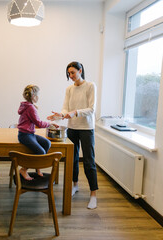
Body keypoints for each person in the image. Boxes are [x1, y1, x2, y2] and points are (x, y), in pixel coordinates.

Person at [47, 61, 98, 209]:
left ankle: (93, 194)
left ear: (80, 70)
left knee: (89, 161)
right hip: (73, 128)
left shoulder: (90, 86)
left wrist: (75, 112)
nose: (71, 76)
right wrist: (59, 115)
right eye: (69, 73)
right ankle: (74, 185)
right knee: (73, 159)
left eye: (73, 72)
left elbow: (91, 109)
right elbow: (65, 109)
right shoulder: (69, 89)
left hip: (87, 128)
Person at [17, 84, 57, 180]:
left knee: (47, 143)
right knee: (41, 151)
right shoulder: (31, 108)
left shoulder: (27, 105)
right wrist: (50, 123)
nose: (39, 97)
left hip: (29, 134)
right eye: (38, 95)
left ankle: (37, 167)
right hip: (25, 135)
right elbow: (38, 123)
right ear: (33, 96)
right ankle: (23, 169)